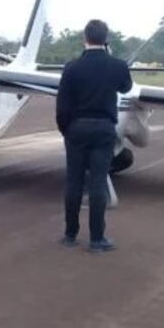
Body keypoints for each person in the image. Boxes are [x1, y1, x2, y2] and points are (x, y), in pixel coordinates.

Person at [56, 19, 133, 252]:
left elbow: (61, 106)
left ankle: (70, 235)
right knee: (98, 182)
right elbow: (126, 88)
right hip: (103, 128)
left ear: (84, 38)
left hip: (76, 128)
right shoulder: (117, 65)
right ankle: (97, 239)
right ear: (106, 39)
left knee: (74, 182)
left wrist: (66, 130)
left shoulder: (71, 67)